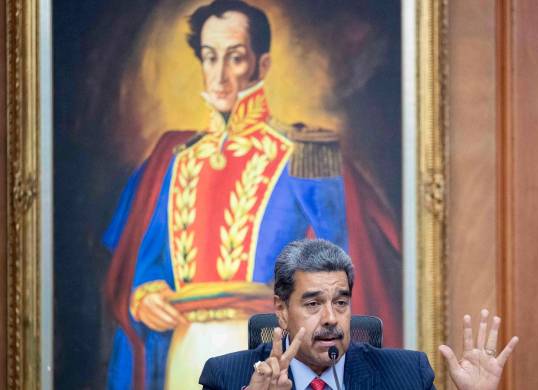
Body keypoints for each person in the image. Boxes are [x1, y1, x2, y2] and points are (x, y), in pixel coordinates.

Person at [102, 1, 402, 389]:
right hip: (183, 353)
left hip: (273, 356)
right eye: (210, 58)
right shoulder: (174, 160)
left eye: (235, 58)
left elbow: (343, 275)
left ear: (261, 65)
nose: (220, 75)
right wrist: (147, 295)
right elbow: (147, 265)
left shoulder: (306, 156)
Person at [199, 239, 519, 390]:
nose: (331, 318)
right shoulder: (228, 376)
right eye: (313, 304)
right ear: (281, 310)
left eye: (341, 302)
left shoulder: (407, 376)